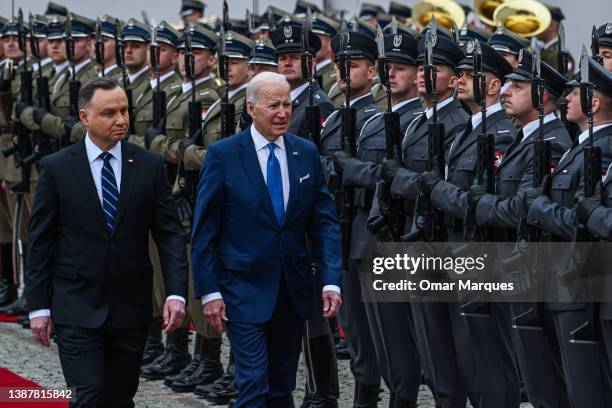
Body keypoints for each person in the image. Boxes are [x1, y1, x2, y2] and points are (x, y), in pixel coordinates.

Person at [25, 77, 188, 407]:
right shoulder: (57, 168)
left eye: (125, 111)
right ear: (85, 118)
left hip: (130, 306)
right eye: (110, 112)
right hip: (76, 306)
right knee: (88, 396)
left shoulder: (148, 165)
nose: (121, 120)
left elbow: (169, 233)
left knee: (119, 397)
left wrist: (175, 293)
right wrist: (39, 307)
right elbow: (40, 243)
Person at [191, 71, 342, 408]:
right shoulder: (223, 155)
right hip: (242, 290)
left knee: (281, 387)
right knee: (253, 385)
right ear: (251, 109)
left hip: (292, 290)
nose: (283, 113)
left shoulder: (305, 153)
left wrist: (331, 281)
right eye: (273, 105)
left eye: (287, 104)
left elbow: (324, 223)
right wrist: (210, 292)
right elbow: (205, 231)